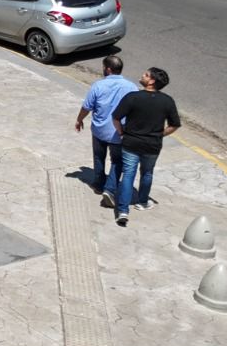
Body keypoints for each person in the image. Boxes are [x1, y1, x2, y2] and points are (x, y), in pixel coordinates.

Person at [106, 67, 182, 227]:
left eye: (146, 75)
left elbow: (116, 117)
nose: (142, 75)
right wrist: (160, 134)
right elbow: (175, 124)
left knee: (128, 174)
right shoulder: (167, 101)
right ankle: (142, 201)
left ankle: (123, 211)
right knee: (147, 173)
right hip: (152, 145)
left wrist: (121, 132)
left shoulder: (133, 97)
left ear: (152, 81)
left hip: (131, 143)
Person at [75, 55, 137, 196]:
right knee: (117, 161)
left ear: (108, 69)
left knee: (98, 157)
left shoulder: (98, 86)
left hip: (99, 130)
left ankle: (99, 184)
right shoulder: (131, 87)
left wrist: (79, 120)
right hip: (119, 132)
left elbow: (87, 107)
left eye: (103, 67)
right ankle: (110, 189)